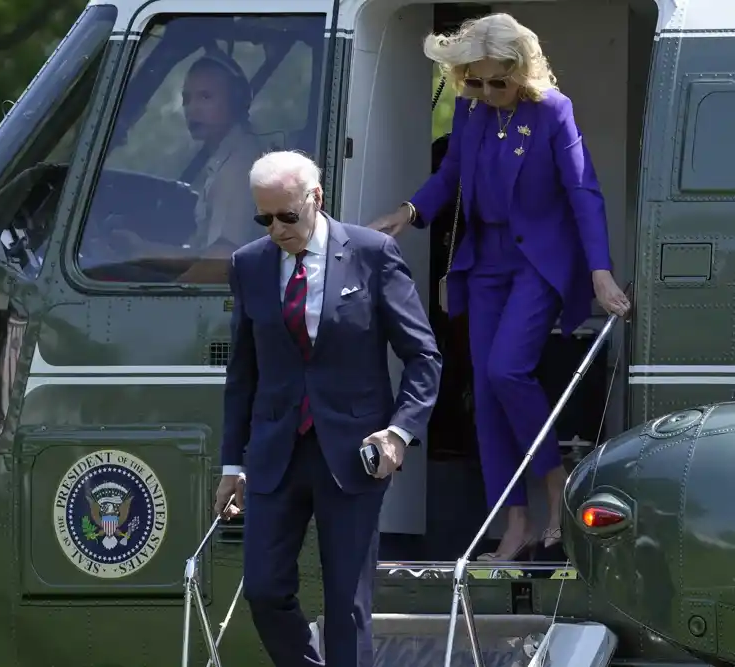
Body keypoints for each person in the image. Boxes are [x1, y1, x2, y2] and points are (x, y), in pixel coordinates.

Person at [370, 13, 631, 561]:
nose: (485, 92)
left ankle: (556, 485)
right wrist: (409, 211)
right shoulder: (469, 109)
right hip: (483, 262)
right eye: (474, 81)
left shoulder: (553, 112)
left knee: (506, 370)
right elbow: (451, 177)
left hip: (538, 261)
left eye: (497, 82)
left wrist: (599, 270)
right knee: (485, 397)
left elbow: (584, 191)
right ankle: (512, 521)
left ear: (521, 72)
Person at [217, 151, 441, 666]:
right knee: (264, 590)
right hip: (276, 453)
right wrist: (233, 463)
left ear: (316, 200)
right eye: (264, 218)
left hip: (353, 452)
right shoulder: (248, 264)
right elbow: (243, 375)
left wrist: (399, 434)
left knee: (347, 603)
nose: (276, 228)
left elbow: (423, 356)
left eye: (287, 216)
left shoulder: (372, 253)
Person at [109, 50, 267, 282]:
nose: (192, 109)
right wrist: (142, 250)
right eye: (187, 99)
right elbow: (204, 255)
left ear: (236, 101)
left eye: (205, 97)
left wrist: (167, 298)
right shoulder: (227, 156)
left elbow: (221, 261)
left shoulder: (237, 166)